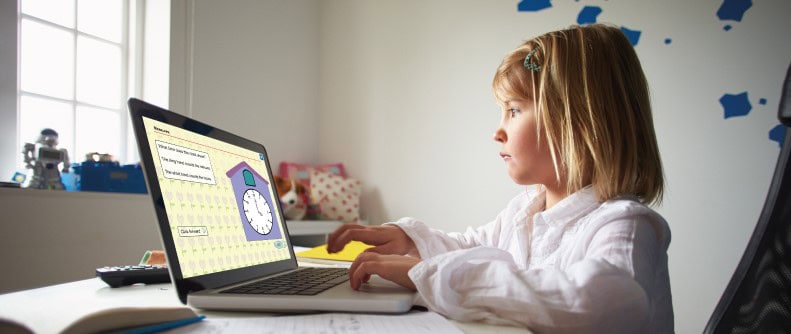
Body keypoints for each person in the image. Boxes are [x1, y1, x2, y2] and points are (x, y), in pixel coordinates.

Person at [327, 23, 673, 333]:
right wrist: (408, 240)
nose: (498, 131)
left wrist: (427, 275)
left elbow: (600, 305)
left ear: (578, 122)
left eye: (514, 110)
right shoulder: (524, 212)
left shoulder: (625, 224)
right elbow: (471, 247)